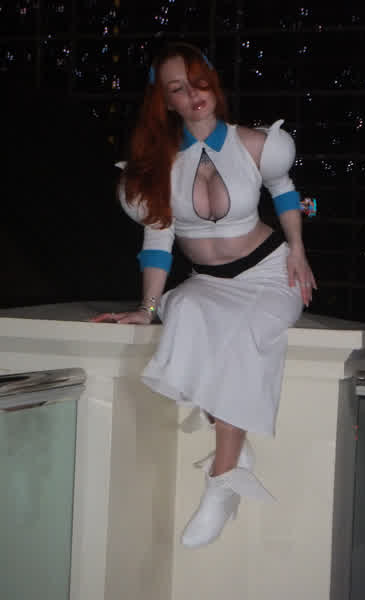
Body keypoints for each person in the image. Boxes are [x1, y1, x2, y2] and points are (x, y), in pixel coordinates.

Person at [92, 41, 317, 548]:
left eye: (198, 82)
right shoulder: (155, 168)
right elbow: (157, 242)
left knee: (241, 334)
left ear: (213, 84)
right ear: (165, 101)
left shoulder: (257, 144)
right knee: (186, 310)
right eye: (178, 88)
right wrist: (147, 308)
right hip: (208, 281)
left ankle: (222, 479)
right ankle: (234, 456)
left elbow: (284, 191)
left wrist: (299, 251)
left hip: (269, 274)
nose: (193, 95)